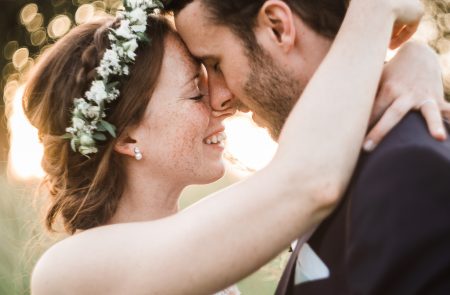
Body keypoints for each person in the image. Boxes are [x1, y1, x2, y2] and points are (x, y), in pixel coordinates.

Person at [25, 0, 428, 294]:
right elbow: (305, 180)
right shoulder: (69, 273)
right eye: (195, 92)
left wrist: (415, 60)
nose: (223, 101)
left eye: (214, 69)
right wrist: (374, 12)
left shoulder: (206, 233)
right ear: (128, 137)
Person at [167, 0, 450, 293]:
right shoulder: (330, 165)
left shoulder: (411, 170)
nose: (218, 100)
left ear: (278, 27)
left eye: (216, 64)